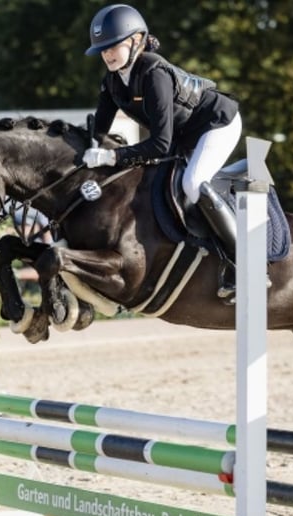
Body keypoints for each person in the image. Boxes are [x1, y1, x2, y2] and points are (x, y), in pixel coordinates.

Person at [82, 3, 243, 301]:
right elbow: (99, 133)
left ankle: (243, 263)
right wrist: (88, 151)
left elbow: (160, 145)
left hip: (216, 123)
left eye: (112, 46)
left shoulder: (154, 73)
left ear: (136, 40)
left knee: (192, 184)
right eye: (102, 50)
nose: (107, 54)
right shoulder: (113, 81)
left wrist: (113, 157)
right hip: (184, 134)